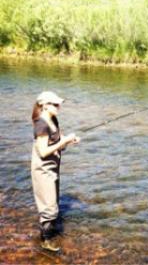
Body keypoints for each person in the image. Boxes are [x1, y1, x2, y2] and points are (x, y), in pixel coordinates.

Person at [31, 91, 80, 252]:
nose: (59, 106)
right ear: (45, 105)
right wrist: (64, 141)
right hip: (43, 169)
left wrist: (69, 141)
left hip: (53, 167)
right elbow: (43, 152)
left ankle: (49, 231)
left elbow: (59, 143)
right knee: (49, 207)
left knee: (52, 203)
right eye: (55, 104)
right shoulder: (41, 124)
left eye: (59, 104)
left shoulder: (53, 120)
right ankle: (45, 241)